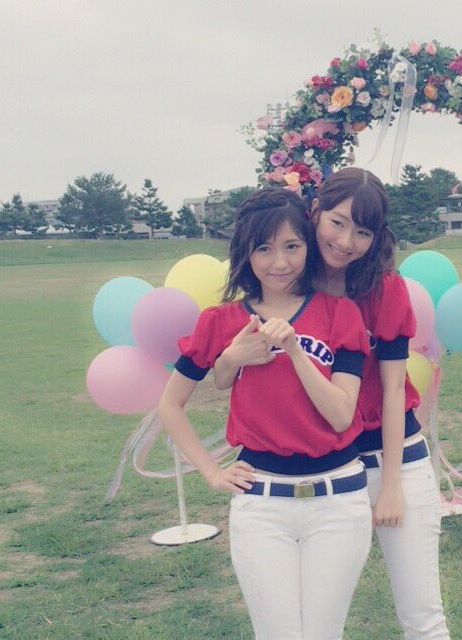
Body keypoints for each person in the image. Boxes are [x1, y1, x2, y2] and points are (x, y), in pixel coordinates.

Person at [158, 188, 372, 640]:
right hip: (262, 504)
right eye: (264, 249)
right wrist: (213, 472)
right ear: (246, 252)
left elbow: (340, 415)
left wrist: (294, 350)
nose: (280, 262)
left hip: (338, 501)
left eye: (292, 246)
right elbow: (169, 405)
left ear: (308, 247)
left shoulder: (340, 314)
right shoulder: (220, 322)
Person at [312, 167, 450, 639]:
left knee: (422, 616)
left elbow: (393, 390)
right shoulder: (292, 285)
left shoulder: (384, 288)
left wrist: (391, 484)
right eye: (338, 222)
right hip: (328, 468)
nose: (346, 242)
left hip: (396, 460)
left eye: (363, 232)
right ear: (316, 212)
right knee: (318, 622)